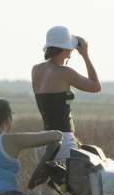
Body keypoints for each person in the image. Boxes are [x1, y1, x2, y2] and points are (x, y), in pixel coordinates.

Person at [31, 26, 101, 163]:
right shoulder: (65, 72)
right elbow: (96, 86)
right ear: (67, 49)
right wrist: (85, 55)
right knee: (79, 183)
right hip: (62, 142)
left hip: (43, 141)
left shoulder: (36, 70)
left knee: (56, 184)